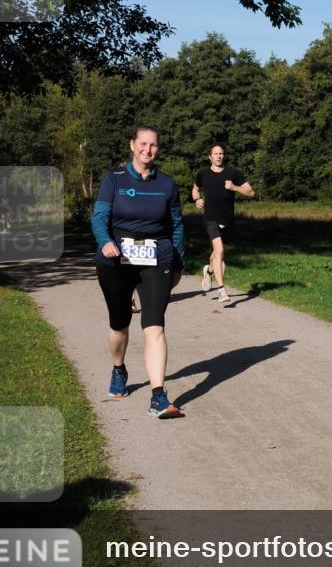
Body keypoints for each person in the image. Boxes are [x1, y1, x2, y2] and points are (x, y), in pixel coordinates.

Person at [91, 125, 185, 418]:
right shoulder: (114, 179)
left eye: (153, 145)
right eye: (142, 144)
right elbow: (99, 216)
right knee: (119, 323)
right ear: (132, 145)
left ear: (158, 148)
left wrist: (179, 262)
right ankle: (119, 369)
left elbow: (177, 225)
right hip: (117, 257)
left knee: (154, 325)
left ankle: (158, 396)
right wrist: (105, 242)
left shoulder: (167, 184)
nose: (148, 149)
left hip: (157, 257)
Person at [192, 143, 255, 304]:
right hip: (210, 218)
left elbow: (251, 192)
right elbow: (195, 189)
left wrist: (234, 187)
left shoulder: (232, 172)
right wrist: (197, 199)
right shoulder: (203, 173)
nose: (219, 156)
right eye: (215, 153)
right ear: (210, 157)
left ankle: (209, 270)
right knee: (218, 250)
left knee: (218, 255)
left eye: (221, 153)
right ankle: (221, 290)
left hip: (227, 220)